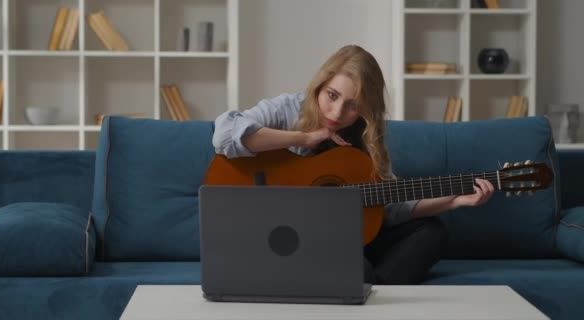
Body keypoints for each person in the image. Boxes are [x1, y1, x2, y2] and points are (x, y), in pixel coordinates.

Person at [212, 45, 495, 285]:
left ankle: (370, 289)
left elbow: (391, 209)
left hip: (341, 238)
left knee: (431, 232)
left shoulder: (367, 135)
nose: (337, 113)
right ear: (320, 85)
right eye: (332, 96)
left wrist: (455, 200)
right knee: (354, 267)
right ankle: (363, 283)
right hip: (292, 237)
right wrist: (304, 136)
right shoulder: (288, 109)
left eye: (353, 105)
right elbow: (224, 134)